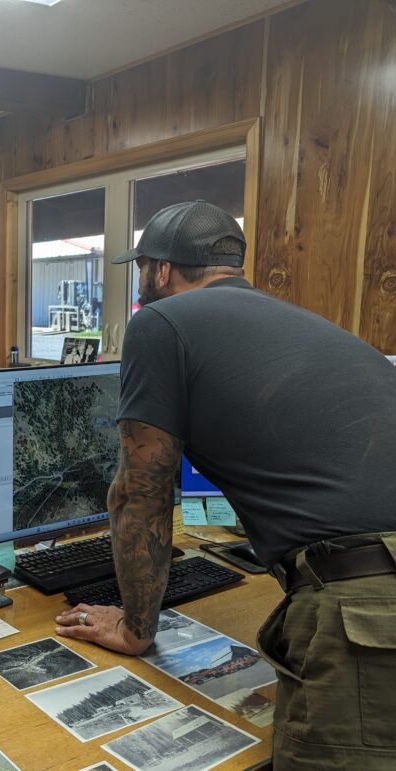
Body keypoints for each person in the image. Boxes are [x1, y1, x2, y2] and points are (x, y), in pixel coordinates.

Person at [53, 201, 396, 768]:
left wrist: (137, 628)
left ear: (160, 271)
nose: (140, 284)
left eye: (139, 269)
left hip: (365, 603)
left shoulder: (158, 323)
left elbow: (142, 495)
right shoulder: (300, 323)